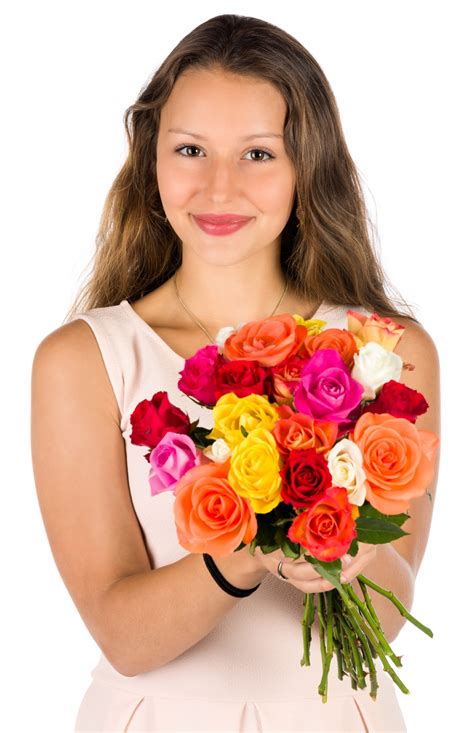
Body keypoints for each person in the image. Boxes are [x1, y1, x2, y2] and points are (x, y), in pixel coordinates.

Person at [31, 13, 439, 733]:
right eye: (190, 149)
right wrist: (246, 550)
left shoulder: (387, 352)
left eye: (257, 154)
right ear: (151, 160)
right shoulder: (82, 359)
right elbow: (123, 635)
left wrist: (338, 554)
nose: (219, 188)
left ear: (306, 166)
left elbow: (389, 614)